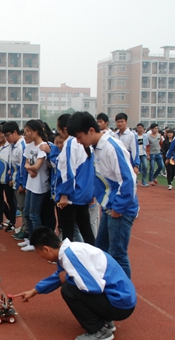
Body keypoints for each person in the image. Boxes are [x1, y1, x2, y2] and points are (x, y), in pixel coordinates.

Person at [15, 226, 136, 340]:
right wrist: (34, 291)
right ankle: (105, 321)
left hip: (120, 305)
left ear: (46, 249)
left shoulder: (71, 256)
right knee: (70, 284)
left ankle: (99, 331)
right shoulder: (69, 249)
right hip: (121, 299)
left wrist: (67, 278)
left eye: (38, 252)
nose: (40, 257)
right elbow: (59, 275)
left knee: (69, 289)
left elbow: (93, 287)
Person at [67, 111, 138, 279]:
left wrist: (118, 208)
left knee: (118, 253)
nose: (78, 141)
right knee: (101, 249)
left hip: (120, 208)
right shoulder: (96, 147)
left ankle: (124, 293)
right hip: (109, 206)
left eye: (79, 137)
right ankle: (107, 284)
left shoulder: (111, 147)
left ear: (91, 130)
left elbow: (128, 179)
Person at [54, 113, 95, 245]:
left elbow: (67, 171)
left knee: (68, 233)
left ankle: (68, 260)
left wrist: (65, 194)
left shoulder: (71, 143)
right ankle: (92, 258)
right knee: (86, 231)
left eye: (59, 130)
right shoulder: (86, 143)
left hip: (72, 195)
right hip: (84, 193)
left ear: (65, 129)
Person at [17, 120, 51, 252]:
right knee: (26, 212)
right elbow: (26, 164)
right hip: (30, 184)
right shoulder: (29, 145)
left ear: (36, 131)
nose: (26, 135)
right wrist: (30, 169)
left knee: (34, 214)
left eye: (28, 132)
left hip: (40, 185)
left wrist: (31, 168)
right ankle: (30, 238)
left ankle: (36, 241)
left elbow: (38, 166)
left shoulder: (42, 146)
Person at [5, 122, 28, 241]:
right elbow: (12, 165)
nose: (6, 139)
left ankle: (26, 230)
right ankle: (24, 228)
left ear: (15, 132)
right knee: (20, 206)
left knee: (23, 207)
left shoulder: (21, 146)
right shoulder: (13, 145)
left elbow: (23, 167)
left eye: (7, 135)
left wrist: (21, 184)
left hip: (20, 183)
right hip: (14, 181)